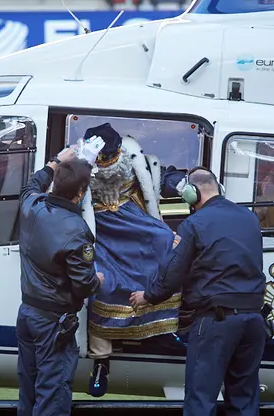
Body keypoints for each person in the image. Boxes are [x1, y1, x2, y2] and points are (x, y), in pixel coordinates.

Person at [129, 167, 268, 416]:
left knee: (201, 400)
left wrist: (148, 296)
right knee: (245, 401)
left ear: (193, 195)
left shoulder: (194, 223)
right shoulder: (249, 218)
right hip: (254, 320)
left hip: (216, 321)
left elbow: (173, 271)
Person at [76, 123, 187, 397]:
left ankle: (162, 329)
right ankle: (101, 360)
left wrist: (183, 184)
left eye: (109, 156)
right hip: (98, 228)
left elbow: (161, 175)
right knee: (102, 280)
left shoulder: (134, 157)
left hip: (133, 220)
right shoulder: (78, 163)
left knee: (166, 243)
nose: (104, 162)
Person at [15, 140, 106, 416]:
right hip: (54, 324)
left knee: (28, 394)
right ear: (80, 194)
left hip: (27, 315)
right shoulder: (77, 231)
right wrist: (98, 281)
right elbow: (85, 284)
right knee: (52, 396)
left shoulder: (33, 206)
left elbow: (29, 186)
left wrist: (55, 162)